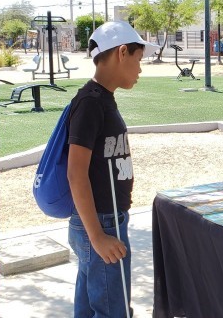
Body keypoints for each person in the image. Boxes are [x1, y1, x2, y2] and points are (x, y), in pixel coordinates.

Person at [66, 21, 159, 317]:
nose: (140, 69)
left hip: (105, 221)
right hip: (102, 224)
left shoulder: (102, 99)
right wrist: (97, 237)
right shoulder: (91, 103)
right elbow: (75, 173)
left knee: (91, 307)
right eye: (139, 60)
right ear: (122, 52)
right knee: (112, 311)